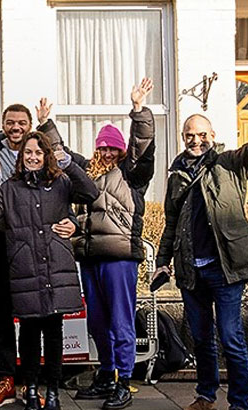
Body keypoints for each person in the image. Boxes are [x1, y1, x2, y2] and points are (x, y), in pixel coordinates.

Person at [152, 100, 248, 410]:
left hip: (225, 268)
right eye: (189, 135)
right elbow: (172, 222)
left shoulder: (230, 163)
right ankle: (205, 396)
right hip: (191, 269)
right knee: (201, 338)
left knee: (231, 337)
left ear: (212, 135)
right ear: (183, 137)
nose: (195, 140)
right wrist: (162, 262)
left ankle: (240, 402)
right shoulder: (176, 174)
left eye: (201, 134)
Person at [0, 68, 80, 407]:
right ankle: (8, 378)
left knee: (33, 318)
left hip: (36, 245)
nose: (15, 128)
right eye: (10, 122)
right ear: (4, 126)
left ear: (30, 128)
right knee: (0, 314)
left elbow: (79, 184)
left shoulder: (43, 152)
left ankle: (34, 385)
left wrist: (74, 222)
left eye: (21, 123)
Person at [0, 131, 97, 410]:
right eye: (28, 153)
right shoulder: (10, 186)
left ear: (46, 156)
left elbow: (90, 193)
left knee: (54, 332)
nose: (33, 158)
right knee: (29, 334)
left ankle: (53, 391)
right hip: (25, 268)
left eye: (38, 153)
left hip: (55, 266)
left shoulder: (59, 183)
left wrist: (69, 164)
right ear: (21, 157)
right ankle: (31, 389)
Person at [71, 78, 157, 410]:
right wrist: (47, 123)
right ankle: (106, 373)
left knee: (121, 320)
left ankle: (124, 379)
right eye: (102, 147)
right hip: (90, 258)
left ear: (120, 151)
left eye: (112, 148)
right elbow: (62, 156)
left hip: (120, 257)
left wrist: (138, 110)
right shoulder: (88, 174)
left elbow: (143, 145)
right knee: (96, 320)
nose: (106, 152)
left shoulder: (131, 174)